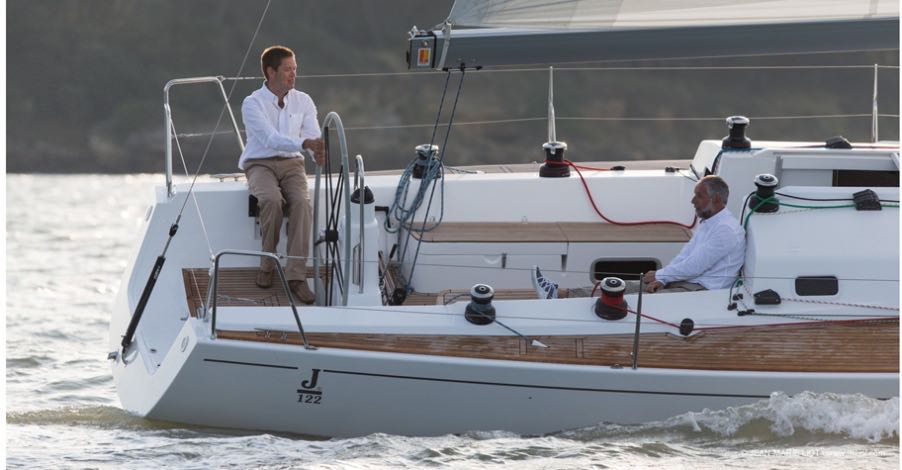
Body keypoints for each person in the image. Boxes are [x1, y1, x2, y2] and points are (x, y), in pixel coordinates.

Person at [533, 175, 746, 298]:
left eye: (698, 196)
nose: (693, 201)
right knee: (625, 285)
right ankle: (559, 293)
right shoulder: (711, 223)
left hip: (701, 290)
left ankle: (561, 297)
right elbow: (686, 257)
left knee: (638, 296)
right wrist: (663, 277)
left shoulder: (725, 230)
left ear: (716, 199)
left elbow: (697, 266)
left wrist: (663, 276)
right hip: (688, 282)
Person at [239, 45, 325, 304]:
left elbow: (313, 135)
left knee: (301, 202)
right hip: (259, 163)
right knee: (271, 201)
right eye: (287, 69)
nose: (293, 74)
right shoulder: (252, 103)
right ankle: (267, 264)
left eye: (295, 69)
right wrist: (306, 144)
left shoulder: (304, 100)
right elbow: (270, 138)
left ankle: (296, 276)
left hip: (292, 164)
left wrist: (317, 153)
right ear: (270, 71)